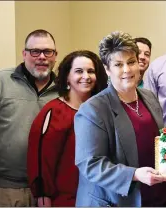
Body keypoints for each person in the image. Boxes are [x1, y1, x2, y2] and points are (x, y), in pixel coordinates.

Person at [74, 31, 166, 207]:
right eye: (118, 64)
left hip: (156, 195)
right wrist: (134, 174)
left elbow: (159, 143)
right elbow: (90, 164)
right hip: (117, 200)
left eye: (131, 62)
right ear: (107, 69)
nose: (127, 70)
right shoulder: (92, 109)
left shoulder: (149, 97)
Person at [0, 29, 59, 206]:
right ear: (24, 54)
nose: (42, 57)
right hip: (0, 188)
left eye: (47, 52)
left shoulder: (65, 90)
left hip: (48, 192)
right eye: (35, 51)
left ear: (55, 56)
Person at [27, 50, 108, 206]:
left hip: (97, 197)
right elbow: (42, 161)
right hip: (63, 199)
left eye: (91, 71)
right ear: (67, 78)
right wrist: (44, 196)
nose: (86, 76)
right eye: (79, 71)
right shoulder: (54, 112)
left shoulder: (102, 111)